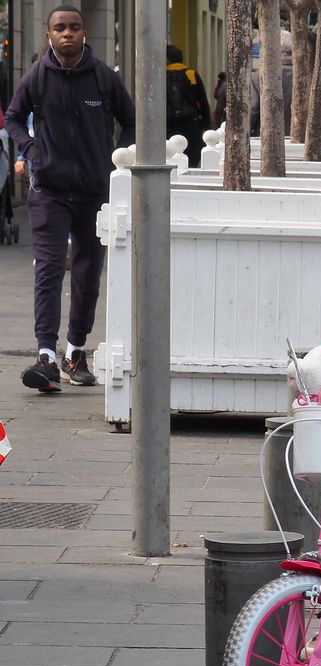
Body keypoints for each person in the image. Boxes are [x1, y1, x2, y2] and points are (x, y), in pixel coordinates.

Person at [5, 4, 135, 393]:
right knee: (47, 271)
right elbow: (13, 117)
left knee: (87, 276)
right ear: (49, 35)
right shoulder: (37, 76)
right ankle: (45, 355)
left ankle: (75, 353)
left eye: (74, 28)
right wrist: (30, 147)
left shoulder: (103, 78)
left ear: (83, 34)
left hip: (95, 192)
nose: (67, 34)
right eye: (59, 28)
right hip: (49, 190)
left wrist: (119, 159)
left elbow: (131, 120)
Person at [165, 44, 212, 167]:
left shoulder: (161, 75)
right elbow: (203, 101)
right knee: (191, 155)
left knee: (169, 155)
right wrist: (206, 124)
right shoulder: (191, 74)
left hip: (167, 123)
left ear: (167, 59)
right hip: (190, 122)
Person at [249, 30, 293, 136]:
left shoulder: (257, 77)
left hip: (266, 139)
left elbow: (252, 110)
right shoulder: (306, 77)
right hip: (301, 142)